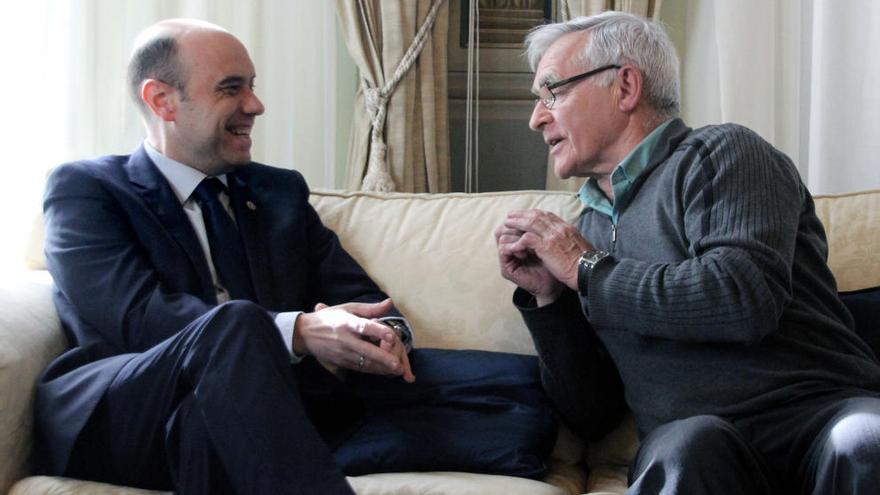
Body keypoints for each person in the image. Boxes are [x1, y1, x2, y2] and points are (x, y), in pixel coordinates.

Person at [495, 11, 880, 494]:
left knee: (868, 440)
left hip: (818, 415)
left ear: (626, 86)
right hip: (693, 439)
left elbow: (743, 297)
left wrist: (586, 268)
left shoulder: (724, 154)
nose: (537, 118)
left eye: (553, 92)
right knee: (687, 449)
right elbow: (593, 415)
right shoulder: (583, 231)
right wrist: (551, 301)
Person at [36, 19, 416, 494]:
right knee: (236, 324)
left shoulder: (278, 192)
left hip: (232, 412)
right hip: (126, 413)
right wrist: (296, 331)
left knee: (208, 420)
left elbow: (364, 299)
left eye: (252, 87)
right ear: (161, 100)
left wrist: (380, 336)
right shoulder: (87, 190)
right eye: (231, 88)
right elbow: (135, 317)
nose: (255, 106)